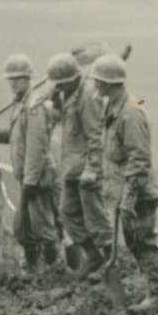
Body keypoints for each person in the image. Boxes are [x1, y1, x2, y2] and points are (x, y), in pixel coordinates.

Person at [0, 53, 60, 273]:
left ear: (28, 78)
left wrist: (30, 182)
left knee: (43, 229)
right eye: (10, 79)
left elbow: (36, 149)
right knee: (24, 230)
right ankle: (32, 271)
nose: (12, 83)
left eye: (18, 79)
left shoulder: (34, 107)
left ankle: (55, 271)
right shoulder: (20, 106)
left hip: (38, 178)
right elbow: (15, 137)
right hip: (29, 178)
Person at [92, 53, 158, 313]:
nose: (95, 86)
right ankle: (153, 289)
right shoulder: (113, 109)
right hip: (125, 190)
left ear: (110, 83)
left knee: (143, 240)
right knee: (134, 240)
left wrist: (130, 197)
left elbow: (139, 157)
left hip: (138, 191)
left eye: (99, 81)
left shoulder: (130, 113)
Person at [48, 50, 109, 276]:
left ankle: (111, 263)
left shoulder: (87, 97)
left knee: (96, 218)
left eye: (61, 85)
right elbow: (56, 121)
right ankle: (94, 256)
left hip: (87, 169)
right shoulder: (68, 96)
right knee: (66, 213)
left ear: (72, 79)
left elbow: (96, 137)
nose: (58, 89)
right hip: (72, 169)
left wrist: (93, 169)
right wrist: (55, 100)